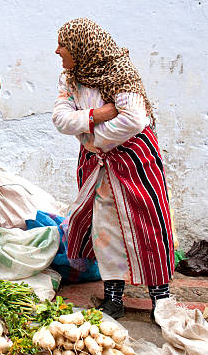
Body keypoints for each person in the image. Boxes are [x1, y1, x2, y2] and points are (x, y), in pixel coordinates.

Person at [52, 18, 174, 320]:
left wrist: (92, 135)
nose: (57, 51)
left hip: (135, 162)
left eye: (62, 45)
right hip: (99, 165)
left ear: (82, 47)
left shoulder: (120, 74)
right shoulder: (70, 79)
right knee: (105, 230)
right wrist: (97, 114)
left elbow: (134, 120)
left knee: (148, 225)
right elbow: (60, 118)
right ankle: (113, 298)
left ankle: (161, 299)